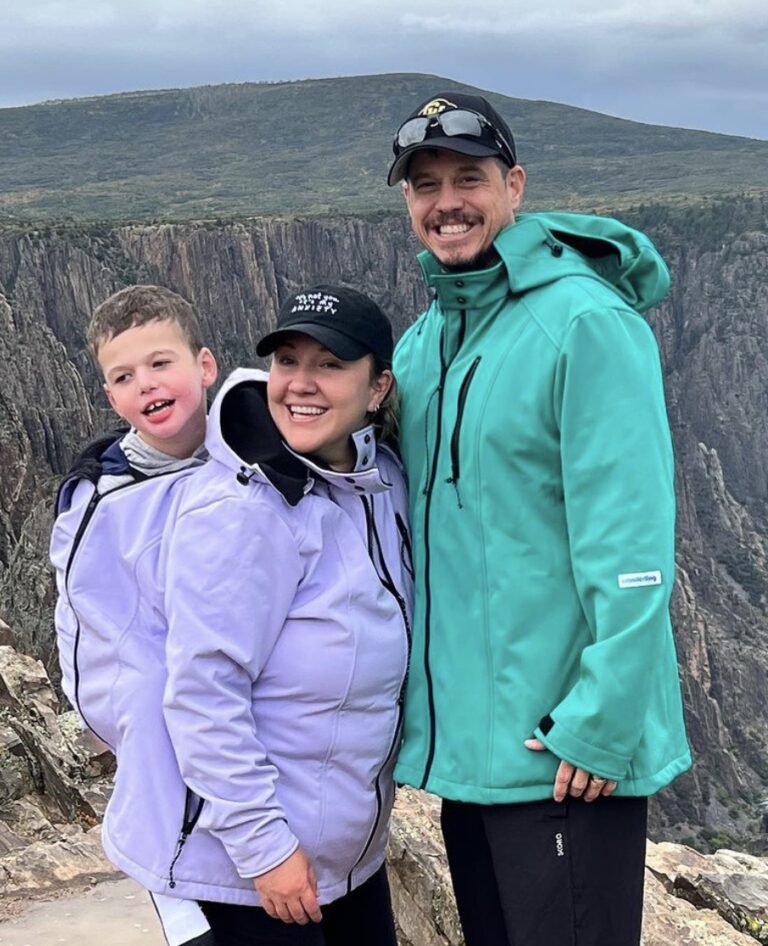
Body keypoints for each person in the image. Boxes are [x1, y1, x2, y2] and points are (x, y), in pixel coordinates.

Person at [386, 92, 692, 946]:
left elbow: (630, 543)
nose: (447, 201)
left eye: (469, 178)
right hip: (475, 760)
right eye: (425, 184)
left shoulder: (586, 324)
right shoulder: (429, 341)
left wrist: (598, 723)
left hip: (564, 758)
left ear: (514, 186)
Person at [161, 284, 412, 946]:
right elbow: (202, 693)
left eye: (329, 364)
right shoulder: (243, 511)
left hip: (349, 860)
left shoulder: (381, 484)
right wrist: (264, 848)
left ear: (378, 387)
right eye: (286, 361)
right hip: (260, 870)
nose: (300, 384)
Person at [50, 284, 218, 946]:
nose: (146, 384)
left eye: (160, 363)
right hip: (177, 813)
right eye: (123, 376)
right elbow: (93, 663)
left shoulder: (269, 467)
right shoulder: (99, 507)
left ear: (204, 366)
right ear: (109, 397)